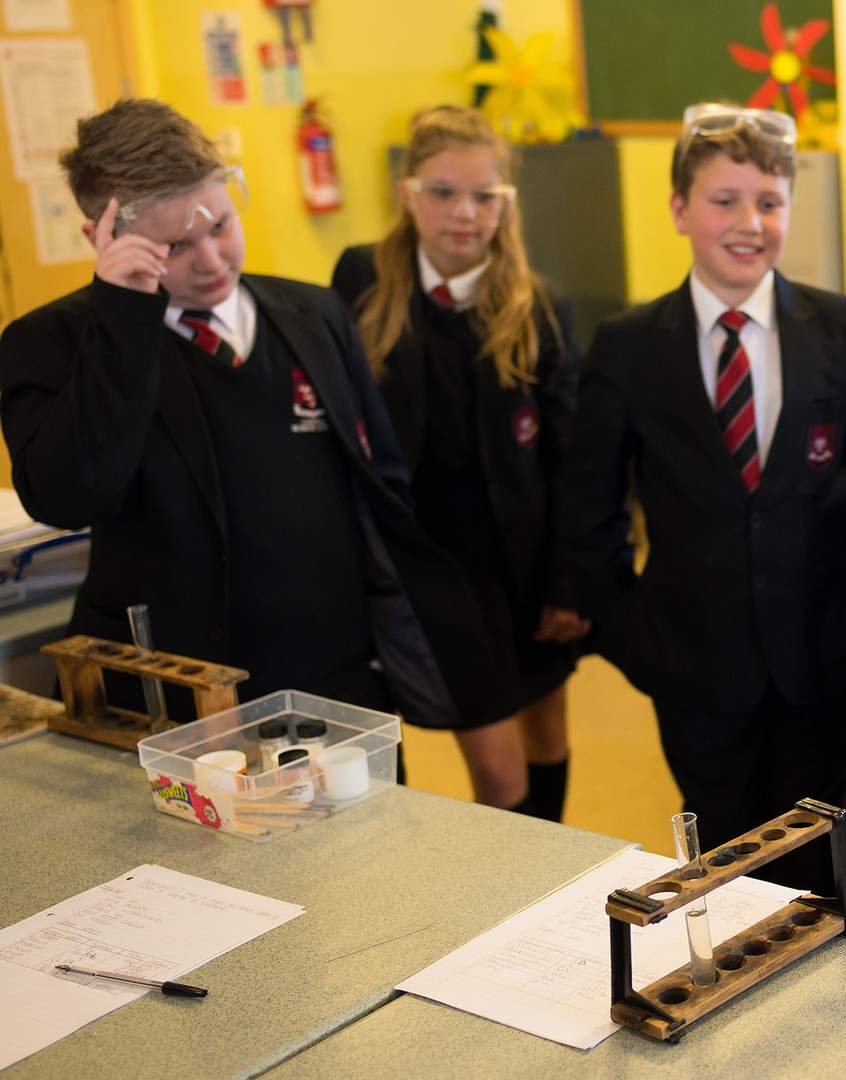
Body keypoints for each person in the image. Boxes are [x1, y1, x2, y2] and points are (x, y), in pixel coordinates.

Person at [0, 98, 488, 734]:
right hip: (176, 687)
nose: (210, 261)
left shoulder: (312, 315)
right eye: (175, 245)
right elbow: (68, 496)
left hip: (334, 670)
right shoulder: (54, 342)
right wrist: (123, 320)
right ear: (104, 236)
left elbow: (379, 476)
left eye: (221, 226)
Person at [560, 103, 846, 887]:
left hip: (820, 655)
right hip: (693, 661)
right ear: (679, 209)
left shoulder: (840, 327)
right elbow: (589, 504)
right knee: (721, 868)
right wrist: (632, 631)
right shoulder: (631, 345)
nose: (749, 223)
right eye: (724, 201)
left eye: (769, 202)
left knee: (817, 863)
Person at [331, 106, 586, 821]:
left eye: (485, 196)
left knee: (546, 728)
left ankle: (551, 873)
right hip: (438, 569)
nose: (465, 214)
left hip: (526, 564)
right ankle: (514, 898)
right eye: (443, 192)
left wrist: (569, 581)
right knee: (499, 774)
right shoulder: (362, 280)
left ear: (507, 203)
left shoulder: (538, 306)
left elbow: (570, 456)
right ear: (409, 195)